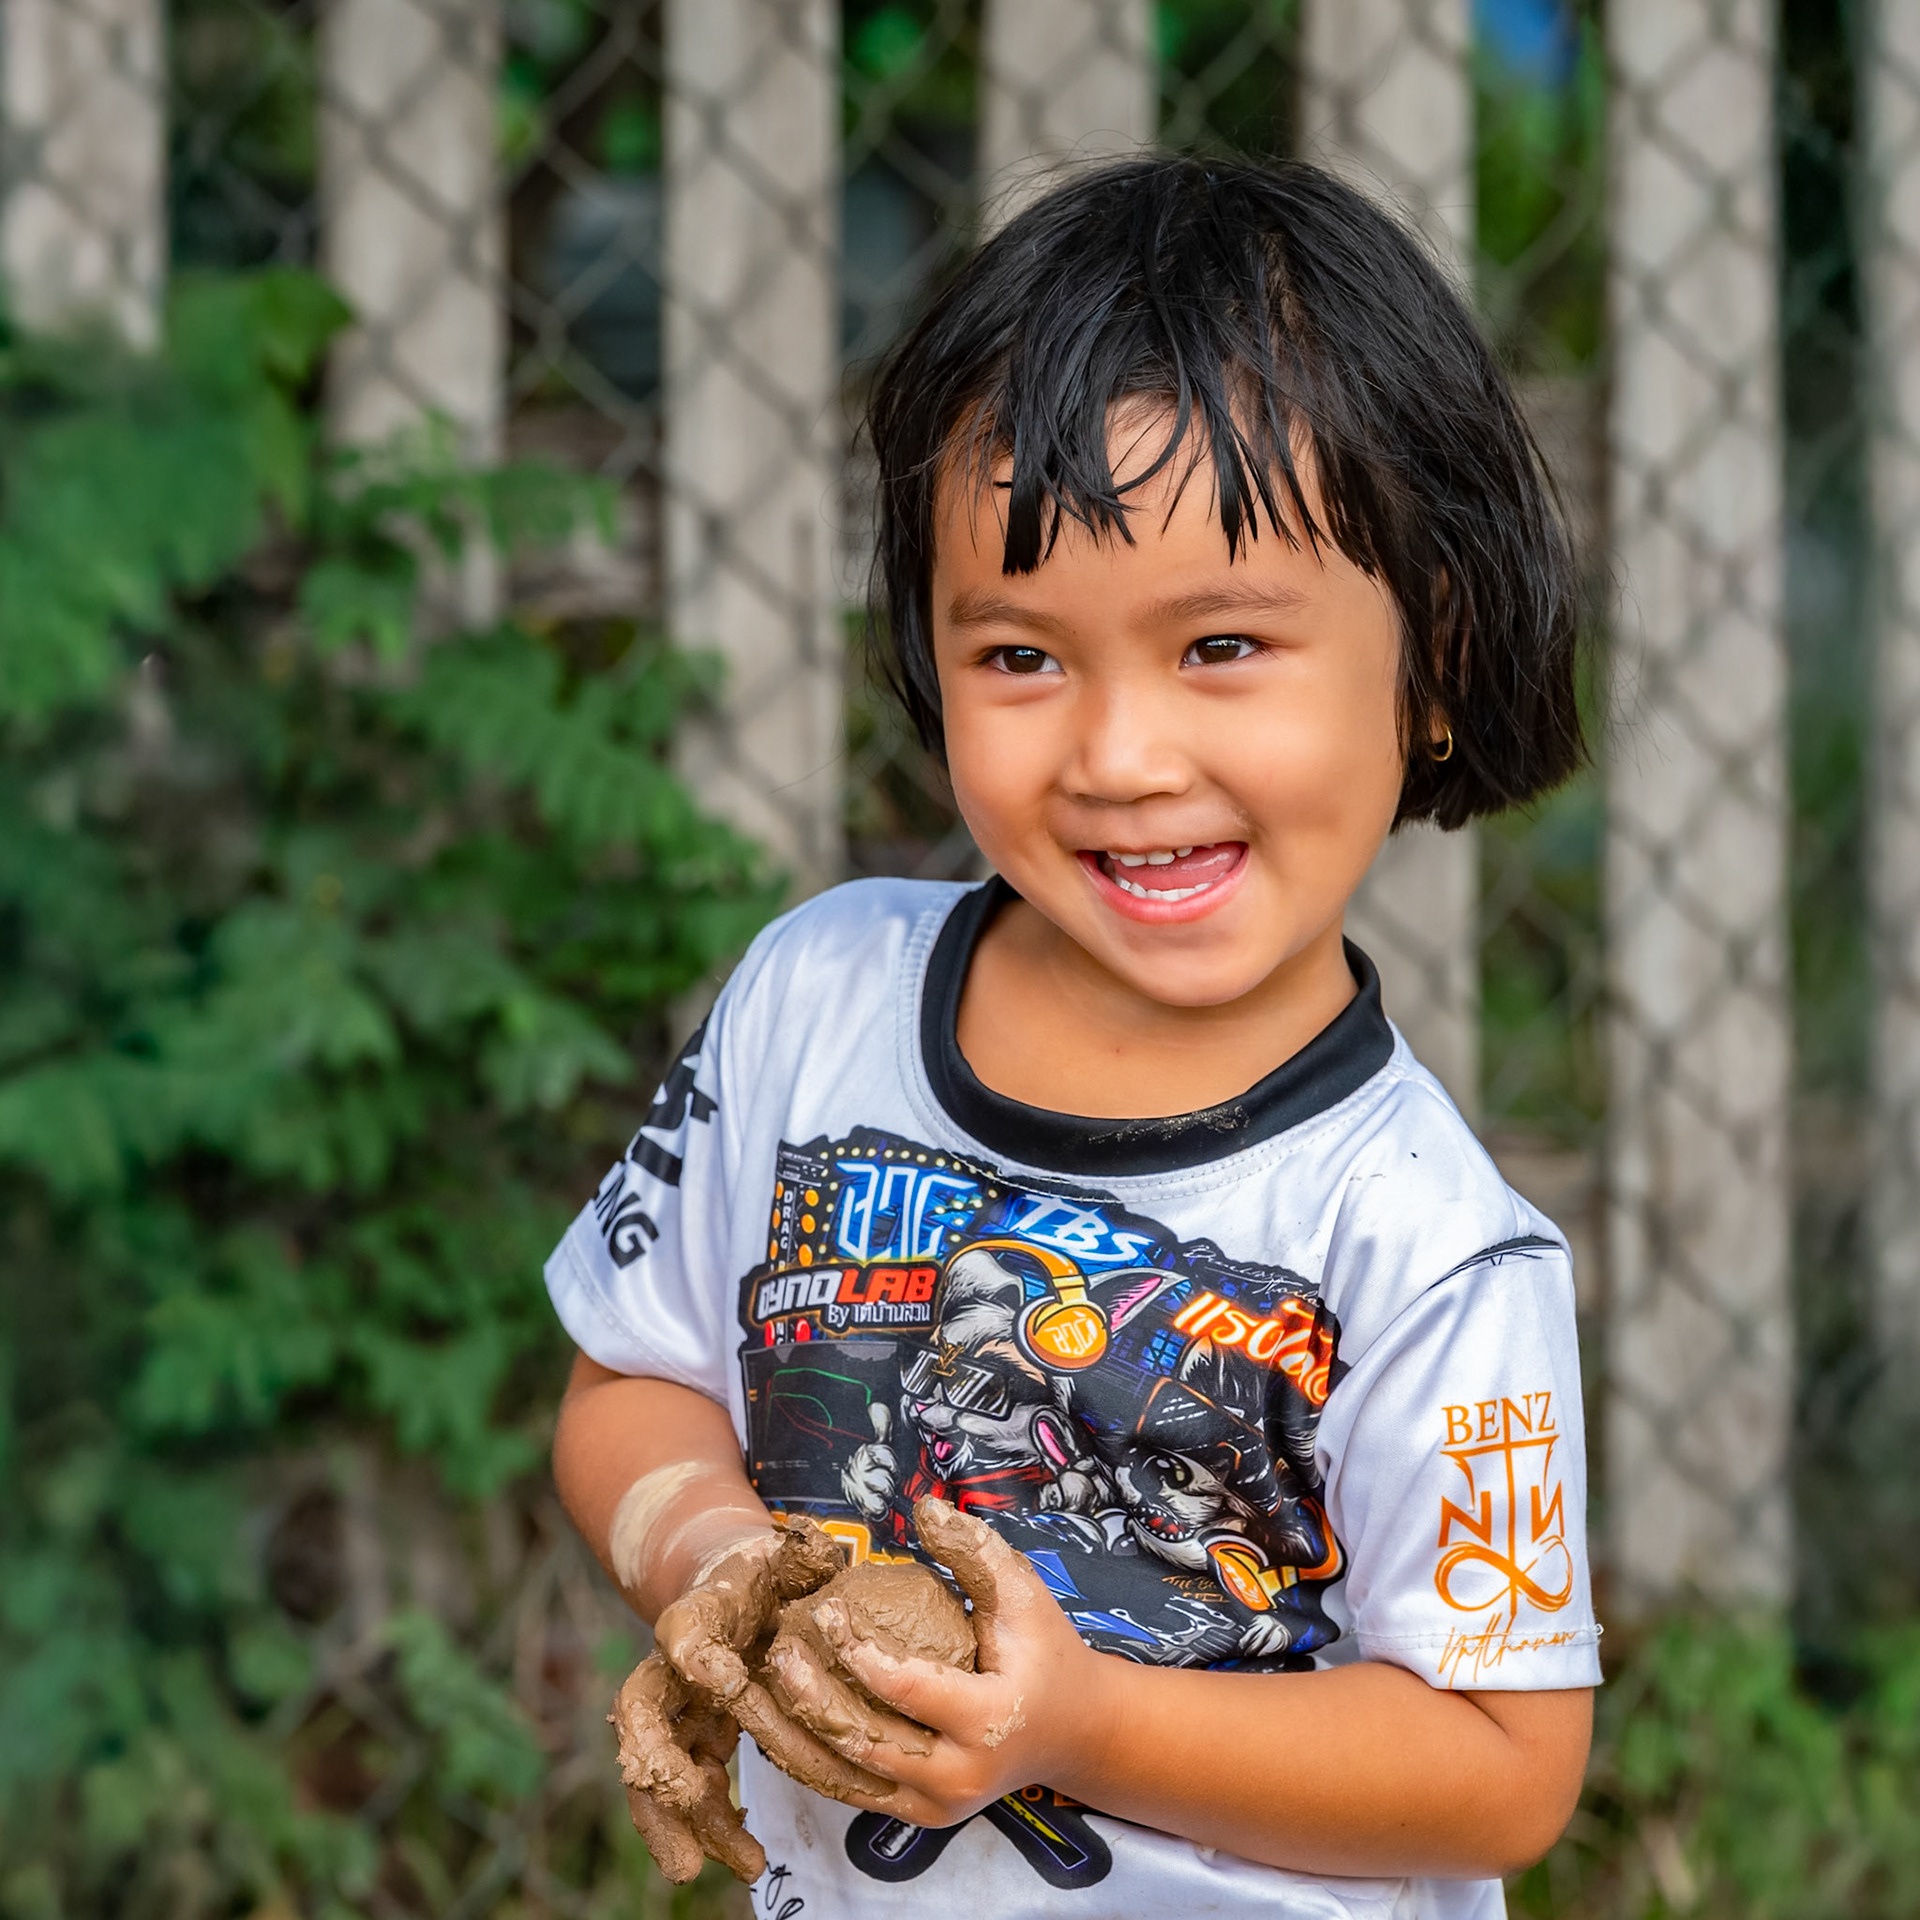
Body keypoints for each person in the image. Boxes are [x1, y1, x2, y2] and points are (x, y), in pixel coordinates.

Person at [548, 155, 1600, 1919]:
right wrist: (725, 1562)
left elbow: (1500, 1768)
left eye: (1223, 645)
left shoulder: (1423, 1239)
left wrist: (1081, 1721)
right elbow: (630, 1382)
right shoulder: (818, 1002)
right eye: (1022, 656)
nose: (1117, 755)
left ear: (1435, 662)